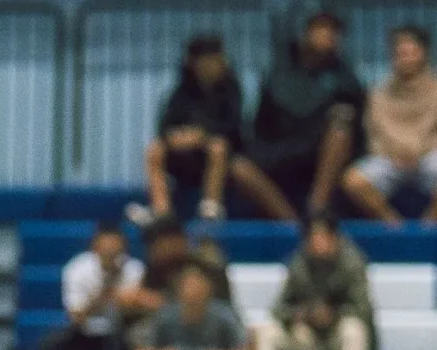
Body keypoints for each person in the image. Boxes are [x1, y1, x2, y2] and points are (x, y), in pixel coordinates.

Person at [231, 12, 363, 222]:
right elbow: (260, 127)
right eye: (321, 29)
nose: (328, 35)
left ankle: (316, 209)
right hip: (280, 152)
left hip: (318, 155)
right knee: (239, 166)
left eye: (333, 31)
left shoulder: (346, 79)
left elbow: (357, 135)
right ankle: (291, 224)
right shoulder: (278, 73)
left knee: (341, 125)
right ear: (305, 33)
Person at [340, 23, 437, 225]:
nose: (406, 58)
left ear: (424, 53)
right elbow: (375, 133)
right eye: (401, 52)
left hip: (428, 157)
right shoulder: (378, 94)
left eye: (412, 52)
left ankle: (428, 228)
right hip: (389, 159)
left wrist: (418, 150)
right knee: (353, 181)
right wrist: (395, 153)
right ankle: (393, 226)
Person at [141, 35, 242, 222]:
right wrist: (177, 138)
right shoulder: (181, 92)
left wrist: (202, 135)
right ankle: (162, 210)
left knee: (218, 147)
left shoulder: (231, 90)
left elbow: (232, 127)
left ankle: (210, 206)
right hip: (184, 156)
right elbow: (165, 127)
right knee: (154, 150)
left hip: (217, 159)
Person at [255, 213, 374, 350]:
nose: (319, 242)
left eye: (323, 236)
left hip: (336, 334)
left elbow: (363, 310)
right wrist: (301, 314)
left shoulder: (352, 264)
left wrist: (333, 315)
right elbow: (278, 310)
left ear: (335, 237)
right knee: (268, 333)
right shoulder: (298, 264)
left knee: (353, 330)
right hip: (305, 333)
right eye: (314, 237)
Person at [37, 221, 146, 350]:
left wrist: (127, 304)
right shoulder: (77, 269)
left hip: (121, 331)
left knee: (127, 347)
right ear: (95, 248)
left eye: (115, 252)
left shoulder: (136, 270)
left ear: (124, 249)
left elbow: (140, 312)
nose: (110, 255)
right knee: (49, 348)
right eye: (106, 251)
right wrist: (105, 292)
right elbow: (76, 316)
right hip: (84, 331)